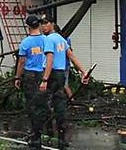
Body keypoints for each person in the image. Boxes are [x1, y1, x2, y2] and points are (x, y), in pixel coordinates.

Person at [40, 16, 89, 149]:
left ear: (52, 24)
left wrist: (45, 79)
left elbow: (50, 59)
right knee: (59, 101)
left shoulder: (49, 39)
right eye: (41, 24)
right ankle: (61, 133)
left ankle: (48, 131)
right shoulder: (61, 39)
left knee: (46, 101)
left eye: (45, 23)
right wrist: (83, 71)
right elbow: (72, 56)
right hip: (61, 73)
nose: (43, 26)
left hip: (52, 73)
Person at [14, 15, 47, 149]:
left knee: (31, 104)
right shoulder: (46, 40)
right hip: (44, 73)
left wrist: (17, 77)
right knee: (42, 102)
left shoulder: (26, 42)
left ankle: (35, 133)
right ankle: (40, 130)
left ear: (28, 26)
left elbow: (22, 61)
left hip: (30, 75)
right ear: (38, 25)